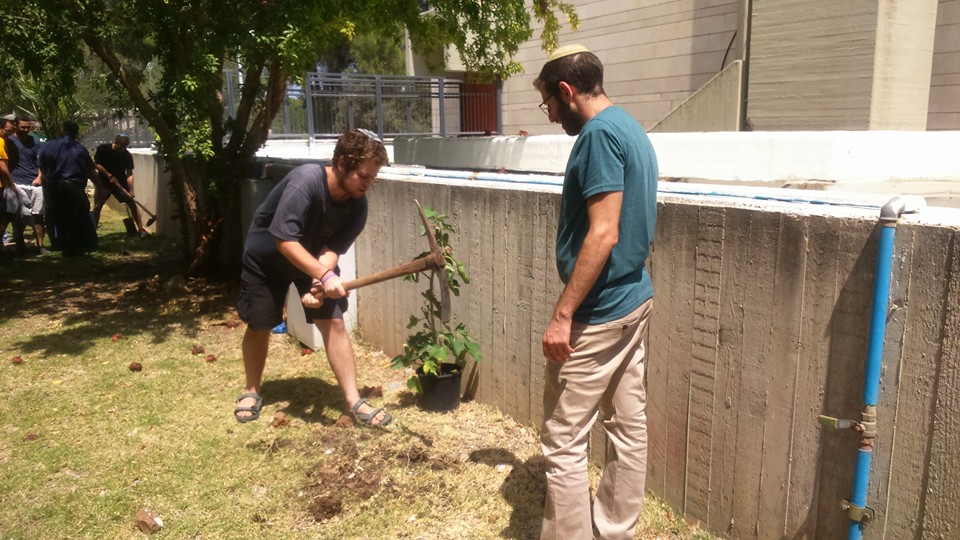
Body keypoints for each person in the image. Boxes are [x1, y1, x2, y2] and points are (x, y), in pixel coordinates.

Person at [535, 45, 658, 540]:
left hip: (599, 315)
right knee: (628, 426)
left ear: (566, 91)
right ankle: (615, 530)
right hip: (633, 301)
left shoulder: (599, 136)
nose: (549, 115)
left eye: (547, 102)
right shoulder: (631, 127)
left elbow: (604, 232)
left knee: (563, 441)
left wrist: (564, 314)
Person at [234, 128, 391, 426]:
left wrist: (320, 282)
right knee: (260, 324)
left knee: (333, 322)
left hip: (312, 260)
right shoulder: (305, 181)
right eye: (364, 176)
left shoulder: (358, 204)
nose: (369, 184)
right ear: (342, 164)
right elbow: (284, 241)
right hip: (266, 259)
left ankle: (353, 401)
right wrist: (324, 274)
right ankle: (252, 390)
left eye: (373, 177)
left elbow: (332, 249)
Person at [38, 120, 97, 256]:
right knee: (77, 214)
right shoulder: (77, 148)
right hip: (72, 185)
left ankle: (61, 243)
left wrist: (47, 178)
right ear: (75, 133)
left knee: (59, 214)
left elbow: (41, 164)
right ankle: (73, 247)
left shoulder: (47, 146)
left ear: (62, 130)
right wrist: (99, 184)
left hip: (53, 185)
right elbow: (88, 169)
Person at [93, 134, 146, 236]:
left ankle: (141, 229)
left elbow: (129, 174)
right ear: (115, 142)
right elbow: (96, 164)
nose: (122, 149)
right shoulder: (103, 149)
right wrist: (109, 175)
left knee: (131, 203)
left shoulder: (127, 155)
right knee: (97, 205)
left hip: (120, 183)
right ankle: (92, 231)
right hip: (103, 182)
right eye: (121, 146)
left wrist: (131, 190)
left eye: (125, 146)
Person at [10, 116, 48, 253]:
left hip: (35, 183)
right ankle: (19, 244)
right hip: (17, 182)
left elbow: (41, 161)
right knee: (20, 215)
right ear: (15, 126)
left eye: (28, 127)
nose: (26, 130)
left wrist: (40, 176)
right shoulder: (9, 142)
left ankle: (40, 245)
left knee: (38, 215)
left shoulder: (35, 141)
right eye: (23, 127)